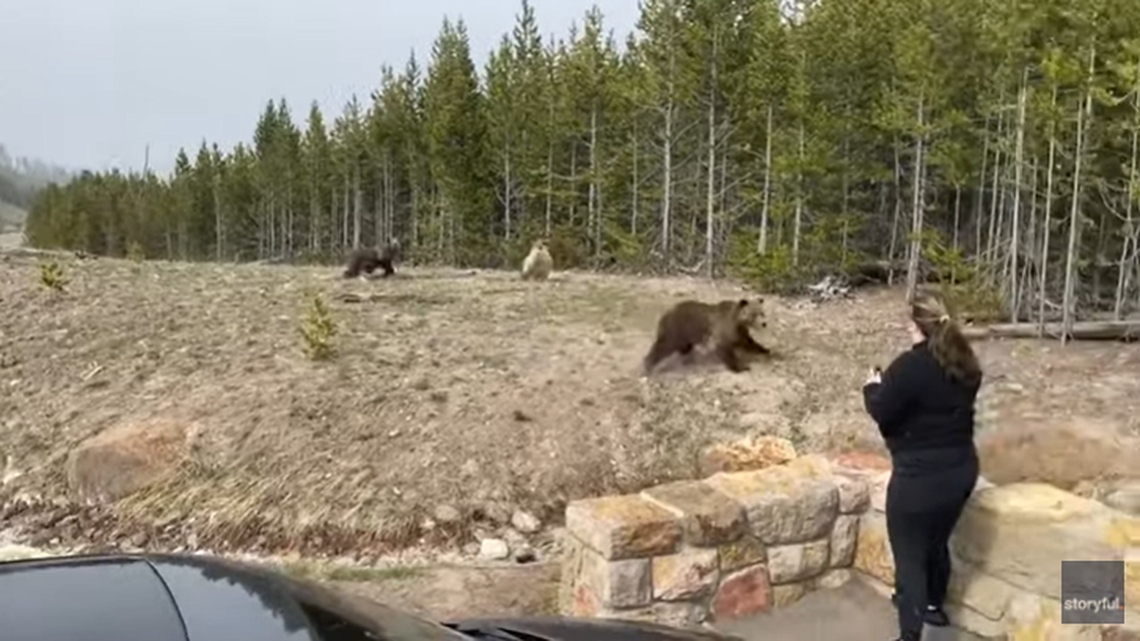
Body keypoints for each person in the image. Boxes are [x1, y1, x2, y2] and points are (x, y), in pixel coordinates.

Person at [862, 291, 983, 641]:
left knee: (910, 554)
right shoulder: (965, 361)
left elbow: (884, 411)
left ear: (916, 325)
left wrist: (871, 388)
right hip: (960, 469)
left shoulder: (910, 366)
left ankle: (910, 634)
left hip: (919, 476)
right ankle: (933, 605)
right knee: (936, 542)